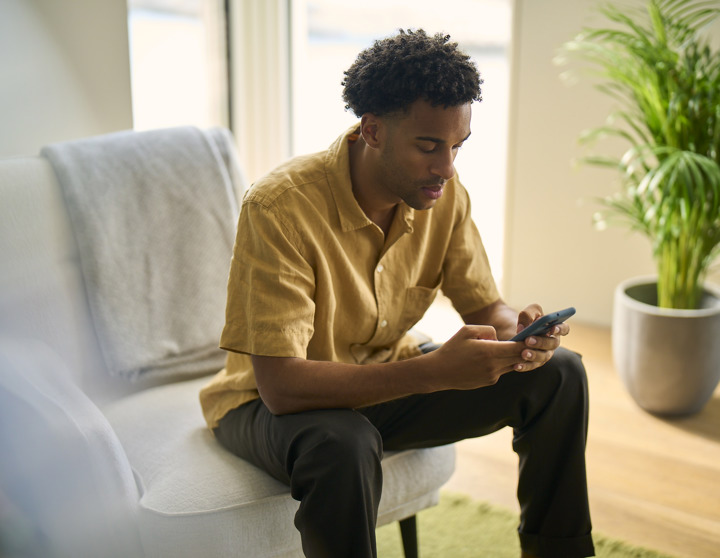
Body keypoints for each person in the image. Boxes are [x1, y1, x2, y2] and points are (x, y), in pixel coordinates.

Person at [199, 29, 595, 558]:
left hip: (384, 379)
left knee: (561, 373)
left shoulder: (442, 194)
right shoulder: (279, 208)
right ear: (373, 131)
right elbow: (281, 388)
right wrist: (433, 373)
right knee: (344, 443)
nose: (446, 167)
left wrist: (519, 332)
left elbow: (485, 306)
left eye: (457, 146)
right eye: (429, 146)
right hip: (267, 408)